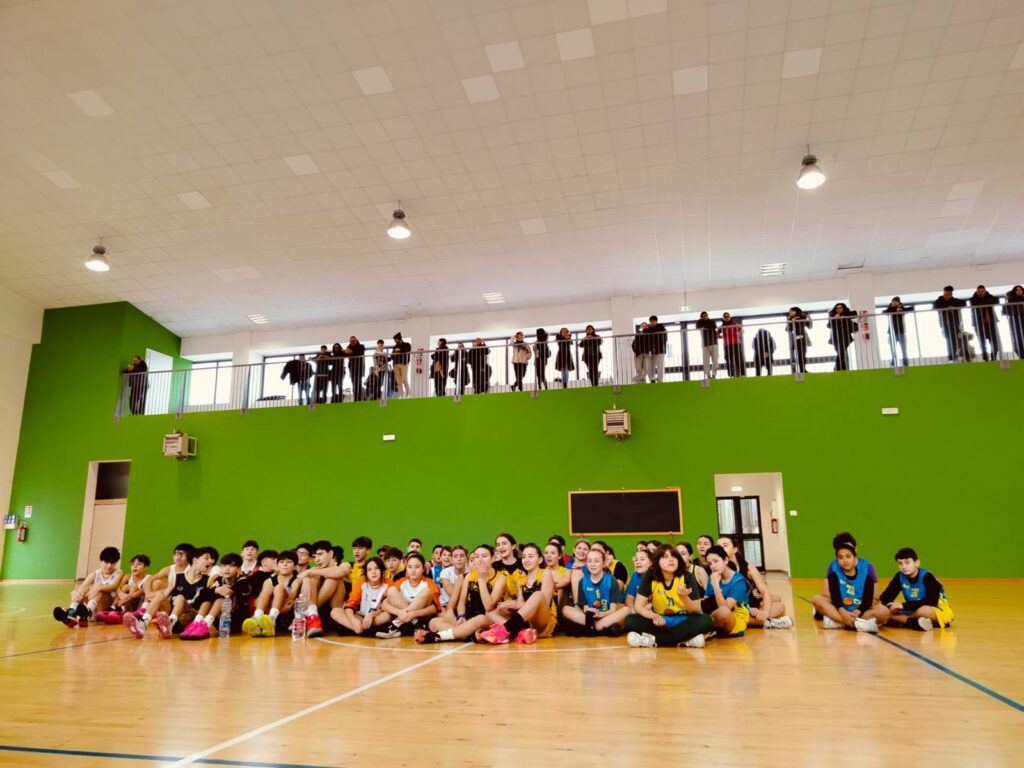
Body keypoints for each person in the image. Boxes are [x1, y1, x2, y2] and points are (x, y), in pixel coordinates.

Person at [623, 544, 714, 648]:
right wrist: (653, 616)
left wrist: (684, 597)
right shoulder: (650, 576)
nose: (671, 560)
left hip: (683, 620)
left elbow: (696, 610)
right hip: (659, 620)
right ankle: (685, 640)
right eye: (665, 557)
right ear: (657, 561)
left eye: (674, 556)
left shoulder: (687, 576)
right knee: (630, 620)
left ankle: (652, 640)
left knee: (707, 621)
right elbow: (638, 606)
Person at [417, 545, 507, 643]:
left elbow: (489, 607)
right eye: (477, 556)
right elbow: (461, 602)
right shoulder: (469, 576)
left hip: (486, 618)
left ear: (493, 558)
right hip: (468, 617)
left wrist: (481, 579)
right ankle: (469, 635)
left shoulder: (500, 578)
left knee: (479, 619)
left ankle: (439, 636)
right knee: (433, 622)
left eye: (484, 556)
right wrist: (461, 616)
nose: (480, 560)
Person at [126, 546, 215, 639]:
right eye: (206, 558)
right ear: (195, 560)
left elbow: (207, 603)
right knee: (161, 595)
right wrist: (148, 598)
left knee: (180, 597)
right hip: (171, 614)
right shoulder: (177, 577)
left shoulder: (208, 580)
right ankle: (143, 625)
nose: (210, 561)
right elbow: (164, 595)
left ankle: (170, 623)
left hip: (189, 618)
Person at [478, 543, 558, 644]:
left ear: (540, 560)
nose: (526, 560)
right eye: (524, 557)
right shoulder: (521, 579)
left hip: (543, 621)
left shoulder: (545, 573)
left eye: (530, 556)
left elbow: (544, 602)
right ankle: (520, 633)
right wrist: (509, 606)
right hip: (527, 621)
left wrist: (517, 604)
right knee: (490, 611)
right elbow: (520, 605)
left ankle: (505, 630)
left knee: (538, 595)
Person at [810, 534, 890, 633]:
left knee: (884, 612)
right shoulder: (833, 567)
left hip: (861, 607)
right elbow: (825, 593)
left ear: (855, 550)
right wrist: (843, 603)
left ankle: (838, 622)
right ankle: (858, 624)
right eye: (841, 556)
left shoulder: (867, 567)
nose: (845, 560)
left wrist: (859, 605)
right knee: (816, 599)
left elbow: (875, 597)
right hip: (840, 605)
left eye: (848, 555)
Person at [718, 536, 792, 629]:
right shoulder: (718, 569)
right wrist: (748, 609)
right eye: (718, 546)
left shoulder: (748, 568)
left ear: (735, 549)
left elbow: (764, 591)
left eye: (725, 545)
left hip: (751, 604)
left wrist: (764, 612)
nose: (721, 549)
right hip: (734, 608)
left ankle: (760, 620)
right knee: (727, 616)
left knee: (779, 606)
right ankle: (767, 622)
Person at [879, 547, 954, 631]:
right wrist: (885, 607)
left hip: (937, 609)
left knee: (923, 611)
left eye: (907, 563)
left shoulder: (927, 577)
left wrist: (903, 605)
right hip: (913, 609)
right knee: (884, 611)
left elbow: (932, 601)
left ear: (917, 563)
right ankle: (914, 622)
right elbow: (886, 597)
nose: (904, 567)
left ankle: (903, 620)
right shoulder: (900, 576)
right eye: (900, 563)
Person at [561, 549, 629, 636]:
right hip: (590, 617)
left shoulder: (612, 580)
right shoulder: (583, 582)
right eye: (589, 561)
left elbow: (612, 610)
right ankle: (600, 628)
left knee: (626, 610)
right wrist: (590, 611)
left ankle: (592, 627)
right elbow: (585, 608)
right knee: (566, 609)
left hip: (606, 615)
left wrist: (601, 614)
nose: (592, 564)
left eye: (596, 561)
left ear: (603, 563)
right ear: (586, 564)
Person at [53, 546, 123, 628]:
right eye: (106, 562)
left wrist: (98, 588)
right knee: (82, 590)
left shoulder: (119, 573)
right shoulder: (95, 574)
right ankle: (72, 613)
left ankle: (86, 612)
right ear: (100, 561)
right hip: (93, 607)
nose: (109, 566)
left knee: (98, 587)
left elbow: (113, 586)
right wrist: (76, 594)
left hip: (106, 609)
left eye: (112, 563)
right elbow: (83, 587)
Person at [180, 552, 244, 640]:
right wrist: (216, 590)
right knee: (209, 598)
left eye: (231, 566)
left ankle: (205, 624)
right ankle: (196, 623)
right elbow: (201, 596)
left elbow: (229, 593)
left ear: (238, 569)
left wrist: (217, 591)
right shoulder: (218, 580)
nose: (227, 569)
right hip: (218, 622)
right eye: (224, 566)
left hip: (234, 622)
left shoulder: (243, 581)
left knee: (221, 597)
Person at [242, 550, 300, 637]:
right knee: (270, 586)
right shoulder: (269, 581)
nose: (285, 564)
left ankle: (271, 618)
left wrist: (270, 605)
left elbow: (289, 602)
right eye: (281, 562)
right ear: (277, 565)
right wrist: (279, 608)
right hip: (267, 617)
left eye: (289, 562)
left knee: (279, 587)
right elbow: (258, 603)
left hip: (287, 618)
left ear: (295, 566)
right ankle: (257, 618)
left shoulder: (297, 580)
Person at [334, 556, 393, 636]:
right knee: (335, 611)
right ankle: (365, 630)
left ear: (382, 570)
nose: (373, 572)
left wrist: (371, 615)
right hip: (360, 617)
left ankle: (355, 630)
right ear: (366, 573)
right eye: (369, 570)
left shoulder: (389, 583)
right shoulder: (362, 581)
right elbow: (350, 604)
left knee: (386, 616)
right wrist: (353, 620)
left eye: (376, 568)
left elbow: (386, 607)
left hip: (375, 618)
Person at [700, 545, 750, 637]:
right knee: (695, 605)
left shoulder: (739, 581)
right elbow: (705, 601)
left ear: (726, 560)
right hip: (715, 616)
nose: (713, 566)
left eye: (716, 561)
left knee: (724, 613)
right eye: (710, 563)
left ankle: (703, 629)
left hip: (734, 619)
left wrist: (715, 585)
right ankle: (703, 629)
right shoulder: (713, 576)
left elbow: (725, 608)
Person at [933, 286, 967, 361]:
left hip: (955, 324)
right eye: (945, 294)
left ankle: (955, 355)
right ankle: (951, 356)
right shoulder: (940, 300)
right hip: (945, 324)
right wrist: (946, 308)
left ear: (951, 294)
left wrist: (953, 307)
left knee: (956, 340)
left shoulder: (954, 301)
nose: (946, 296)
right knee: (948, 340)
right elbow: (934, 306)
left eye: (948, 294)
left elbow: (964, 303)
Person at [969, 285, 1001, 361]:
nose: (980, 293)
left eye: (982, 291)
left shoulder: (989, 297)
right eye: (979, 291)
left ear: (985, 291)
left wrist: (988, 297)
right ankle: (985, 357)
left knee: (994, 342)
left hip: (991, 323)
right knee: (982, 343)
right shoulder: (974, 299)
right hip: (979, 324)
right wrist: (988, 301)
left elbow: (997, 300)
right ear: (976, 292)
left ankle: (993, 357)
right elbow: (974, 303)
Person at [882, 297, 912, 368]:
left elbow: (911, 308)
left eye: (896, 302)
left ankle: (905, 362)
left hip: (901, 332)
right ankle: (894, 362)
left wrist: (901, 309)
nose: (894, 303)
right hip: (891, 333)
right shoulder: (889, 309)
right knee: (892, 349)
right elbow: (883, 312)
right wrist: (895, 310)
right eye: (893, 302)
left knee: (904, 349)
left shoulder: (902, 308)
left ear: (899, 302)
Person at [827, 303, 858, 371]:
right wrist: (833, 318)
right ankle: (841, 368)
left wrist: (842, 316)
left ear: (843, 308)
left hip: (845, 337)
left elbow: (855, 313)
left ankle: (838, 368)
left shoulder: (847, 314)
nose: (838, 309)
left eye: (840, 308)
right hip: (836, 338)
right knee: (840, 353)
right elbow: (828, 325)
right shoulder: (833, 316)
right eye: (837, 308)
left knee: (841, 353)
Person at [439, 545, 469, 609]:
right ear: (452, 560)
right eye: (455, 556)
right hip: (445, 605)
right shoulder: (445, 572)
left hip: (466, 605)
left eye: (462, 556)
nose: (459, 559)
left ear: (466, 559)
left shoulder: (470, 571)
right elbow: (453, 597)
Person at [786, 307, 812, 373]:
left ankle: (803, 369)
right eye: (790, 311)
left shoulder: (802, 317)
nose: (790, 313)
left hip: (802, 338)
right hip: (794, 340)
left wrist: (809, 318)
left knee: (803, 355)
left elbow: (810, 326)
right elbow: (787, 329)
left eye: (792, 311)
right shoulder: (789, 319)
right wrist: (791, 322)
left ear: (796, 311)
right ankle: (797, 370)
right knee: (795, 355)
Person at [719, 312, 745, 377]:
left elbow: (742, 330)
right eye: (725, 317)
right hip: (727, 344)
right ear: (723, 318)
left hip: (736, 343)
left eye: (728, 316)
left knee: (738, 358)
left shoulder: (734, 324)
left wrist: (740, 333)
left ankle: (742, 373)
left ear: (730, 317)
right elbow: (717, 334)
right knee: (728, 359)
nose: (727, 318)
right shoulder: (722, 326)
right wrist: (721, 337)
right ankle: (730, 374)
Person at [645, 315, 668, 382]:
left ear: (656, 321)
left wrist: (649, 329)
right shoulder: (650, 328)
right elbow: (646, 332)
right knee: (651, 365)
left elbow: (664, 337)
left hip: (660, 350)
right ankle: (652, 379)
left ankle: (660, 380)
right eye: (651, 321)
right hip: (653, 351)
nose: (652, 322)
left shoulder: (660, 326)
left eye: (654, 321)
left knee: (660, 366)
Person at [695, 313, 718, 380]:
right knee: (706, 360)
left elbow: (713, 326)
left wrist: (705, 326)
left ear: (708, 316)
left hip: (714, 343)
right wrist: (706, 326)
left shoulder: (712, 321)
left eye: (706, 315)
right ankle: (708, 374)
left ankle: (714, 374)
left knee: (715, 359)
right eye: (703, 316)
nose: (704, 317)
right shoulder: (699, 322)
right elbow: (697, 326)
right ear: (701, 317)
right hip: (705, 344)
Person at [1004, 285, 1024, 359]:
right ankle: (1021, 354)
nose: (1019, 291)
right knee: (1017, 338)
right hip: (1015, 322)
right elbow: (1005, 311)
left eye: (1020, 289)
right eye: (1017, 290)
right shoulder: (1010, 301)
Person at [345, 336, 366, 401]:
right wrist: (351, 352)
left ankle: (359, 398)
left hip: (359, 367)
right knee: (353, 383)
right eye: (351, 341)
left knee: (358, 383)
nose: (352, 342)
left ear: (356, 340)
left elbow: (359, 353)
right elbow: (346, 354)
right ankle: (356, 398)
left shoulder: (361, 346)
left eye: (353, 341)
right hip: (352, 368)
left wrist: (351, 352)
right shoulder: (348, 347)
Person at [391, 333, 412, 397]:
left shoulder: (407, 344)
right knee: (398, 381)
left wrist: (399, 350)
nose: (395, 341)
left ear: (399, 339)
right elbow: (392, 356)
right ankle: (401, 394)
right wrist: (395, 351)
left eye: (395, 339)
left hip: (404, 364)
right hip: (396, 365)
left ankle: (408, 394)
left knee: (404, 379)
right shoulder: (395, 347)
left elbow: (407, 350)